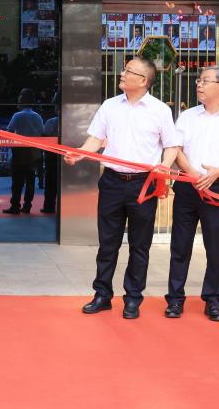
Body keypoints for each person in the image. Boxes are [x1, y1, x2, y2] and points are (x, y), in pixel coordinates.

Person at [65, 57, 181, 319]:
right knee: (108, 243)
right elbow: (95, 139)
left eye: (128, 71)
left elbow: (171, 145)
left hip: (143, 184)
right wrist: (80, 154)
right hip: (112, 182)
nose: (122, 73)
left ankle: (133, 299)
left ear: (143, 80)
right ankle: (102, 295)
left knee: (140, 246)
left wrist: (165, 166)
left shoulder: (159, 110)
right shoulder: (110, 105)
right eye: (124, 69)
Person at [165, 65, 219, 322]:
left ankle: (213, 300)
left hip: (218, 186)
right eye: (198, 81)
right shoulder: (187, 116)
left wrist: (215, 173)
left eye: (204, 81)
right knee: (180, 245)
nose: (199, 85)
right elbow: (176, 148)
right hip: (187, 186)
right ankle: (175, 299)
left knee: (215, 246)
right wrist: (193, 173)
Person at [3, 88, 45, 215]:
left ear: (22, 100)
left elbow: (9, 131)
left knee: (17, 181)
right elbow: (42, 133)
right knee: (30, 180)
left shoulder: (17, 115)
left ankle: (15, 205)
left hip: (19, 151)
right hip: (34, 152)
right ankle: (27, 205)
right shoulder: (38, 117)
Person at [40, 92, 60, 214]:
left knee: (50, 182)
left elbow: (44, 137)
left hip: (51, 155)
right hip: (66, 155)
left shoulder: (51, 122)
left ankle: (49, 206)